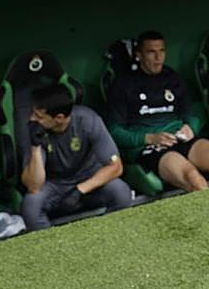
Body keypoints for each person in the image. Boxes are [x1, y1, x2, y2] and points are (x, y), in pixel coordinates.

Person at [106, 31, 209, 192]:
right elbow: (114, 132)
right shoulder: (123, 85)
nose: (158, 58)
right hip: (152, 147)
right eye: (151, 52)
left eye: (162, 51)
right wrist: (149, 138)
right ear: (139, 55)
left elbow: (191, 113)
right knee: (192, 176)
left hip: (179, 137)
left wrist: (190, 127)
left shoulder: (172, 78)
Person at [20, 83, 131, 231]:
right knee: (31, 205)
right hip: (55, 184)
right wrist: (35, 147)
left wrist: (80, 190)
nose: (32, 118)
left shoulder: (88, 120)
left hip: (88, 178)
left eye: (39, 116)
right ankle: (50, 247)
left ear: (59, 118)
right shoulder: (35, 128)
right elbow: (33, 186)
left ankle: (108, 234)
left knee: (121, 192)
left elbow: (116, 167)